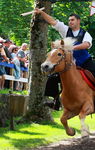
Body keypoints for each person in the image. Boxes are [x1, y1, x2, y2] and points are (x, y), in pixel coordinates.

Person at [34, 9, 95, 110]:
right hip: (70, 64)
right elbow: (53, 21)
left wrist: (72, 47)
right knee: (52, 77)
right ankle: (55, 101)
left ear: (78, 21)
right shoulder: (65, 30)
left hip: (85, 62)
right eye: (69, 20)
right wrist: (41, 13)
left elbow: (86, 44)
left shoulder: (85, 34)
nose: (70, 22)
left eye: (72, 20)